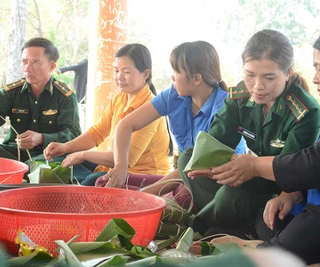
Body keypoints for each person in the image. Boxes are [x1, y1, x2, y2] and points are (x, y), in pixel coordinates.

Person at [189, 23, 320, 266]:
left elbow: (319, 163)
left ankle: (260, 251)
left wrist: (255, 166)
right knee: (273, 218)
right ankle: (278, 248)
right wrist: (294, 194)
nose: (315, 78)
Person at [178, 29, 320, 238]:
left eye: (269, 77)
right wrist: (209, 163)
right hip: (247, 177)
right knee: (187, 159)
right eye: (250, 75)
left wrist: (248, 169)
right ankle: (232, 224)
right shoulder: (241, 95)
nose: (257, 86)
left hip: (278, 188)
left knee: (231, 195)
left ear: (288, 73)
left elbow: (291, 175)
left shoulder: (305, 112)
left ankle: (197, 227)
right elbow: (217, 139)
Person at [100, 41, 246, 197]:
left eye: (176, 71)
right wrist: (121, 167)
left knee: (182, 196)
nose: (172, 76)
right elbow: (126, 124)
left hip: (212, 183)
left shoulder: (223, 109)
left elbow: (193, 167)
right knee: (103, 183)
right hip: (182, 177)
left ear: (196, 79)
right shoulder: (174, 95)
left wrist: (143, 196)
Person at [43, 43, 171, 185]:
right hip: (113, 167)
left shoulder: (151, 108)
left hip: (143, 176)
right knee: (60, 160)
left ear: (145, 74)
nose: (120, 77)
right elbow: (96, 133)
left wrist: (82, 155)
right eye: (116, 71)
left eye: (126, 72)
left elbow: (128, 159)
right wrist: (65, 147)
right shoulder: (119, 99)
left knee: (92, 180)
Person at [0, 37, 81, 162]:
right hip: (13, 152)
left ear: (52, 66)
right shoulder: (10, 92)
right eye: (24, 61)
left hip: (49, 155)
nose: (27, 68)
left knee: (39, 167)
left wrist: (42, 138)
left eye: (35, 62)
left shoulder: (65, 96)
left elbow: (73, 133)